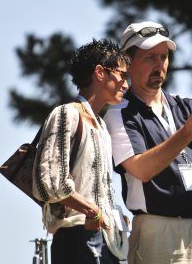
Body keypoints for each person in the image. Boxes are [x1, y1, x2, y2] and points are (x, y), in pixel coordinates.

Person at [104, 21, 192, 263]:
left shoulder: (187, 105)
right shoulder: (119, 113)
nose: (160, 65)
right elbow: (142, 170)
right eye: (150, 58)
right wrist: (188, 131)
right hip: (160, 229)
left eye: (164, 57)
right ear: (128, 61)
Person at [32, 38, 130, 264]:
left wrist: (110, 215)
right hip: (75, 236)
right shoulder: (67, 114)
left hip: (105, 239)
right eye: (122, 75)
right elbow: (49, 183)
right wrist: (92, 212)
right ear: (99, 72)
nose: (125, 84)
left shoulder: (102, 125)